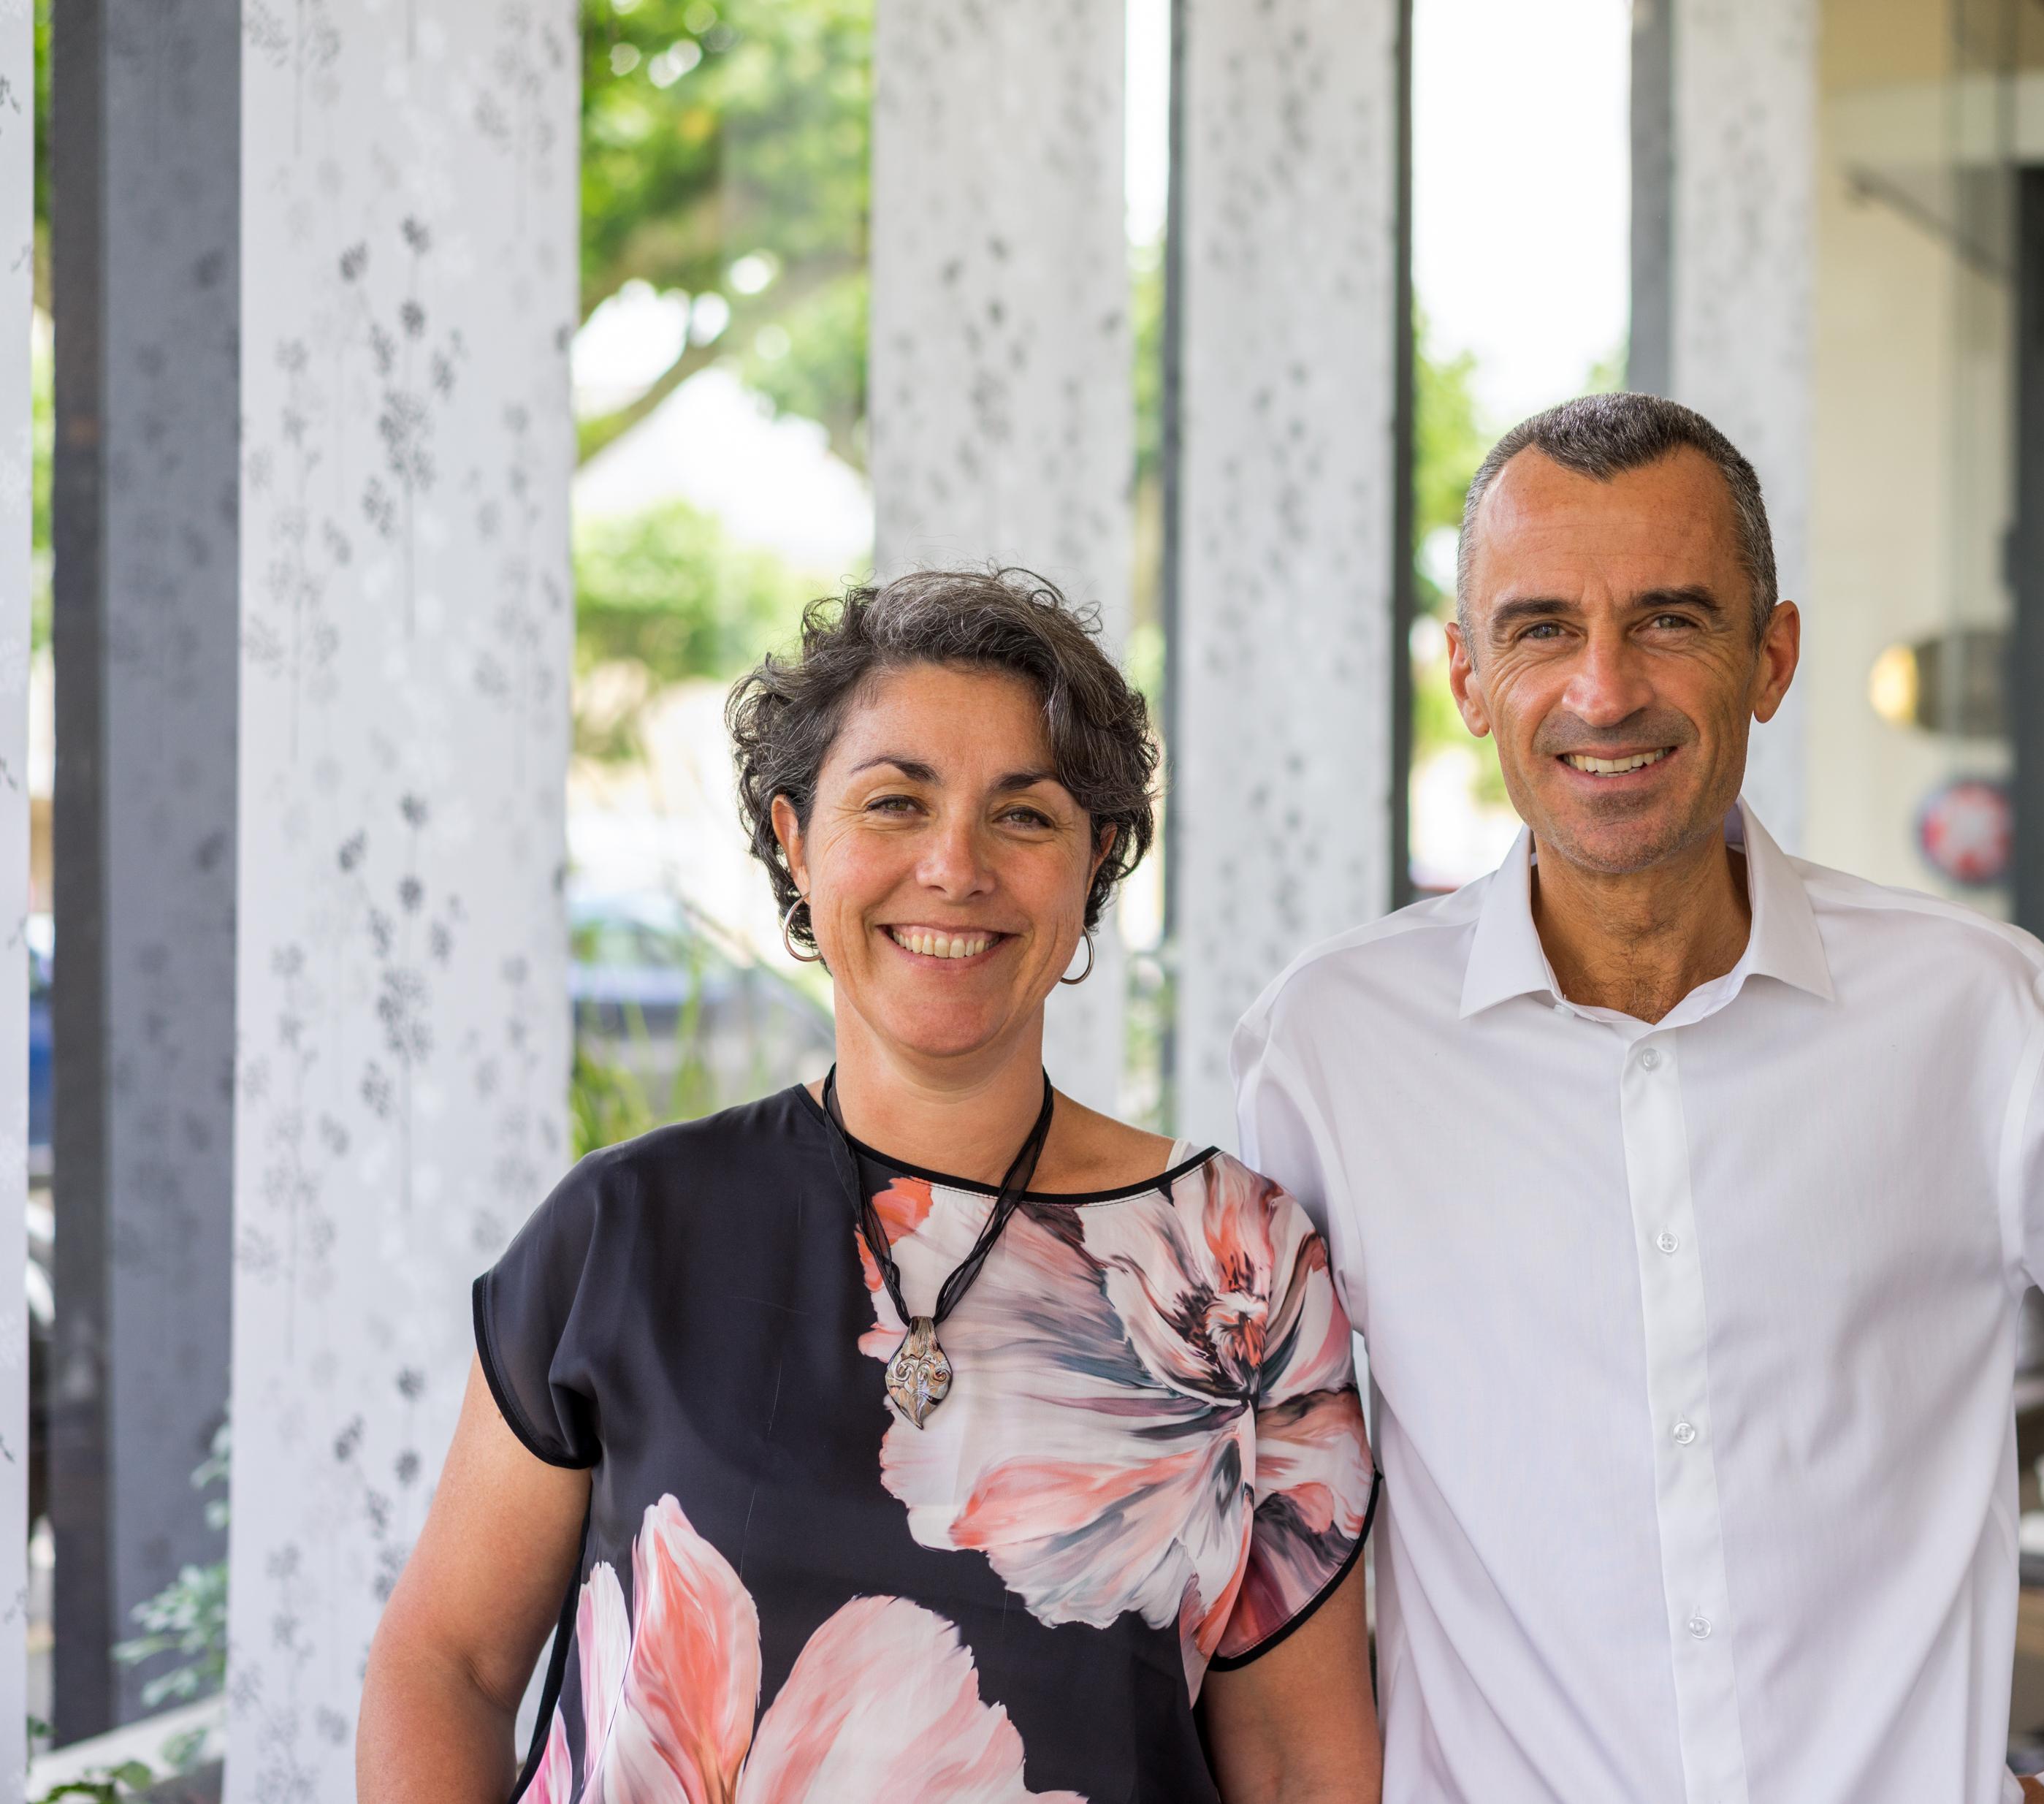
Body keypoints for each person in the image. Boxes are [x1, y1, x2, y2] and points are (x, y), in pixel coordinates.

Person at [1233, 393, 2044, 1804]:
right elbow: (1260, 1514)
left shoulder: (1974, 1013)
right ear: (1470, 675)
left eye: (1669, 619)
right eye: (1542, 627)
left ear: (1771, 656)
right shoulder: (1335, 1044)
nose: (1604, 690)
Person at [359, 571, 1381, 1804]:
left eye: (1026, 815)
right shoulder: (622, 1233)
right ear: (797, 841)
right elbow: (449, 1662)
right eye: (896, 802)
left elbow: (1295, 1760)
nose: (954, 867)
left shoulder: (1244, 1268)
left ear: (1094, 861)